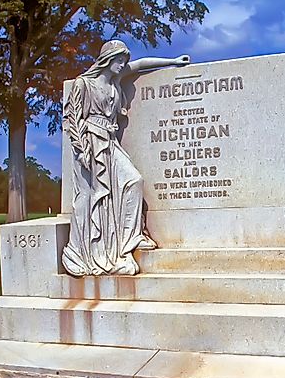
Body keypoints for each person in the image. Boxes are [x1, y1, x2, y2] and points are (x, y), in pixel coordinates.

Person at [62, 40, 190, 276]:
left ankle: (129, 240)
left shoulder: (116, 81)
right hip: (91, 145)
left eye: (124, 61)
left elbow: (141, 64)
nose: (123, 65)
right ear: (108, 59)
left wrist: (173, 62)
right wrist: (82, 150)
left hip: (109, 142)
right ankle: (98, 251)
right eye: (119, 60)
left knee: (133, 181)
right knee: (96, 199)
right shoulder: (84, 83)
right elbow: (72, 118)